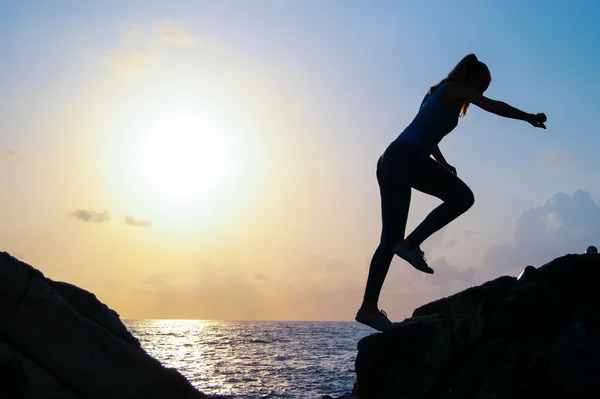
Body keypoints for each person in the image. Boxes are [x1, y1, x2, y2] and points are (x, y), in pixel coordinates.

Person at [356, 54, 547, 331]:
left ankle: (368, 307)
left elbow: (425, 132)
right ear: (471, 78)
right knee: (463, 198)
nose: (480, 93)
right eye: (481, 87)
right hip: (406, 157)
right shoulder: (457, 88)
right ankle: (411, 245)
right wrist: (527, 117)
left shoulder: (435, 92)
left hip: (390, 159)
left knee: (389, 240)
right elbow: (493, 106)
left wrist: (442, 163)